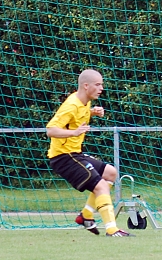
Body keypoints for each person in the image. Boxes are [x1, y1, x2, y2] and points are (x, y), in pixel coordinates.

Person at [46, 69, 132, 237]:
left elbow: (78, 115)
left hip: (75, 154)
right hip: (63, 157)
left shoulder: (85, 101)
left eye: (102, 84)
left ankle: (86, 215)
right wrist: (73, 133)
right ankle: (112, 229)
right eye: (98, 84)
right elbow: (50, 130)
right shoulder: (71, 105)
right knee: (100, 186)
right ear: (86, 86)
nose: (101, 88)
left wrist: (92, 112)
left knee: (111, 174)